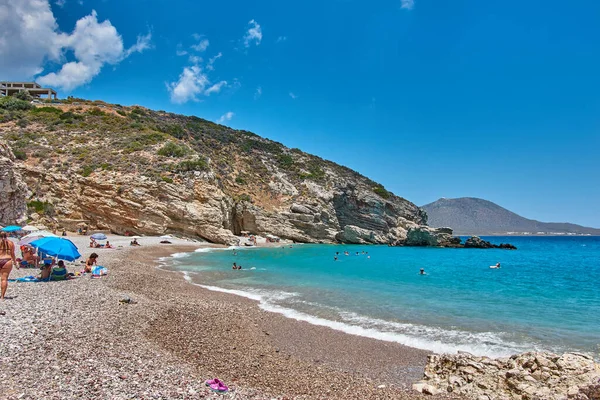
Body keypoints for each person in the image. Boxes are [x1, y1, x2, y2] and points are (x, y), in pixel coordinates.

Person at [0, 233, 16, 300]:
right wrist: (15, 262)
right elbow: (12, 254)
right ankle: (2, 297)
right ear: (7, 236)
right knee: (4, 279)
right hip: (7, 260)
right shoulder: (11, 243)